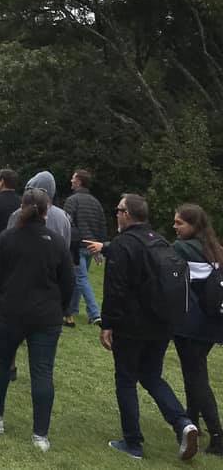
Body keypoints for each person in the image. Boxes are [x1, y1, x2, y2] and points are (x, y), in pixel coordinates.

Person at [0, 189, 75, 452]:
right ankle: (40, 434)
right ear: (47, 211)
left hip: (11, 311)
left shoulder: (7, 239)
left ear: (21, 207)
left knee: (1, 362)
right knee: (42, 372)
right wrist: (60, 308)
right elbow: (68, 282)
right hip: (46, 315)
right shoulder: (56, 242)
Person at [100, 193, 199, 461]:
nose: (116, 214)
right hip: (161, 323)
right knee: (152, 376)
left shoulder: (123, 244)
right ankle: (182, 422)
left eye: (119, 210)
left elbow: (115, 289)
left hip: (132, 325)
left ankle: (132, 442)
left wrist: (107, 324)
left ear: (127, 214)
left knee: (125, 379)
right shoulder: (161, 242)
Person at [171, 204, 223, 456]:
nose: (175, 227)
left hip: (190, 323)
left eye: (179, 223)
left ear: (194, 225)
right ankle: (192, 420)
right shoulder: (214, 248)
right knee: (193, 372)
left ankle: (217, 436)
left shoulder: (182, 248)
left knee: (197, 377)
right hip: (212, 323)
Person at [63, 169, 106, 327]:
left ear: (79, 181)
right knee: (79, 279)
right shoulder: (96, 202)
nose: (71, 180)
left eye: (73, 178)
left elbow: (67, 223)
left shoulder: (72, 201)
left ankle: (95, 314)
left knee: (81, 279)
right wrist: (100, 247)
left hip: (78, 245)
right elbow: (102, 225)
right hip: (92, 246)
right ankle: (74, 309)